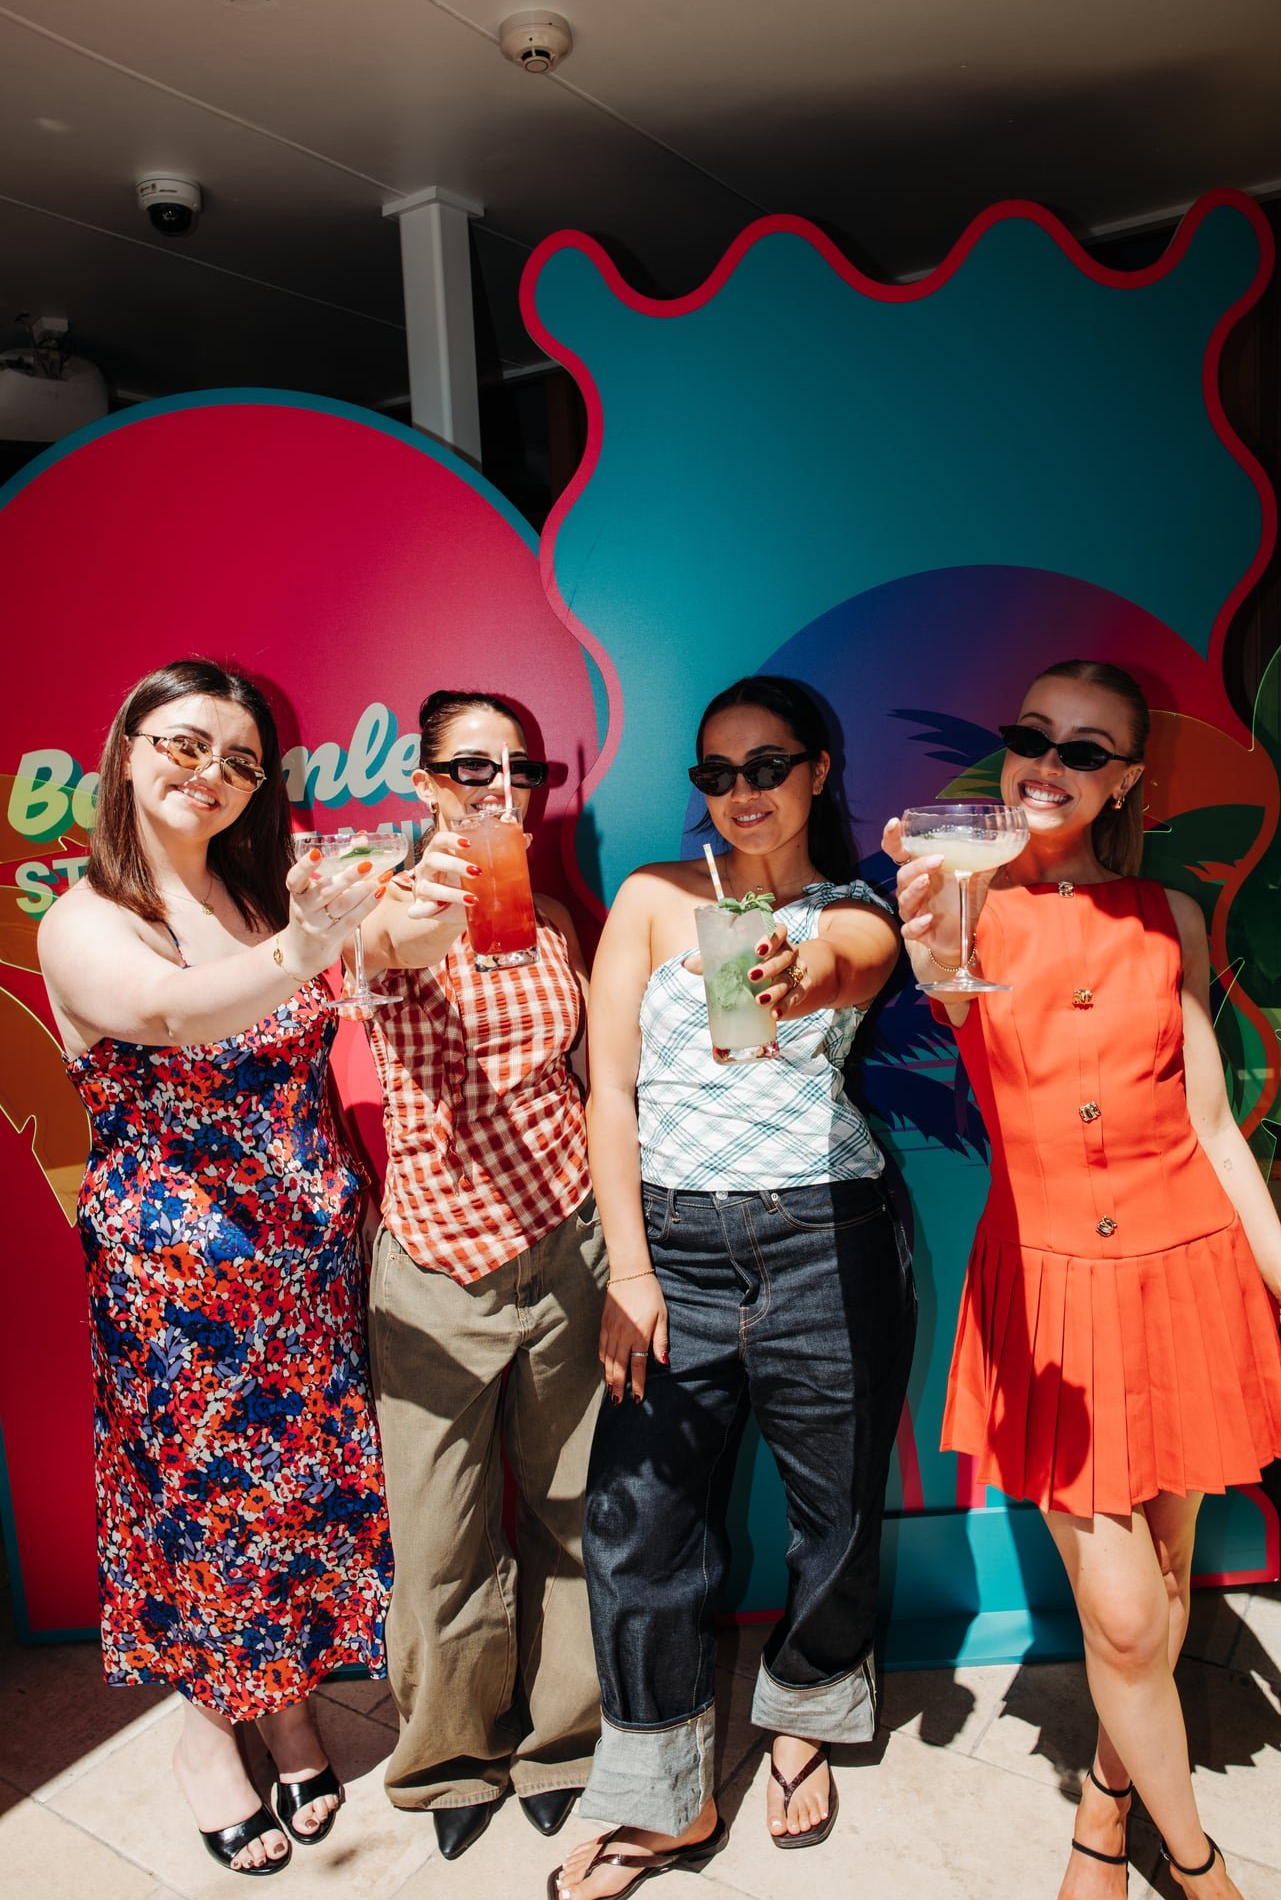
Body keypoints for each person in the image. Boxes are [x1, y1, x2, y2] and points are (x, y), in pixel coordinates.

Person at [885, 658, 1281, 1900]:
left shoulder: (1173, 915)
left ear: (1126, 783)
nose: (1048, 765)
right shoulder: (964, 905)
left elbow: (1214, 1130)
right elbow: (942, 978)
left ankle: (1103, 1812)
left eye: (1085, 749)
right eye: (1031, 736)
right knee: (1120, 1618)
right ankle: (1205, 1869)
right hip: (1052, 1294)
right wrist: (925, 903)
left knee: (1166, 1583)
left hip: (1189, 1273)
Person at [550, 673, 915, 1900]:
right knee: (637, 1524)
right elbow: (609, 1091)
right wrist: (633, 1272)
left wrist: (790, 976)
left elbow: (848, 964)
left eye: (769, 767)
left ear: (819, 770)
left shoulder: (856, 908)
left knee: (838, 1508)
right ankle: (662, 1791)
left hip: (829, 1235)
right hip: (677, 1254)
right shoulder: (656, 897)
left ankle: (806, 1717)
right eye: (718, 774)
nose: (743, 794)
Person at [37, 659, 393, 1878]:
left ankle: (287, 1703)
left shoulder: (255, 898)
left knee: (291, 1508)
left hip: (300, 1274)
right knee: (202, 1522)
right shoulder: (86, 916)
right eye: (186, 744)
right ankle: (207, 1738)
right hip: (180, 1291)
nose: (213, 775)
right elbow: (182, 1015)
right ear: (127, 748)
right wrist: (309, 946)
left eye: (242, 760)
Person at [354, 689, 606, 1860]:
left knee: (570, 1511)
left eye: (523, 771)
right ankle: (452, 1758)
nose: (500, 792)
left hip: (565, 1245)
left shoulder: (552, 915)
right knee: (443, 1535)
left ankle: (566, 1740)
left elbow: (589, 1080)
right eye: (470, 771)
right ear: (424, 781)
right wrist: (426, 901)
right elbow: (381, 950)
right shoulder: (388, 910)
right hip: (437, 1268)